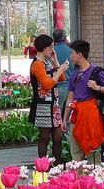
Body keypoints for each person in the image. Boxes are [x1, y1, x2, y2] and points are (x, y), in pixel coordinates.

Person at [63, 39, 104, 164]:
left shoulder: (96, 72)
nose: (71, 56)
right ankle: (79, 180)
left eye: (72, 53)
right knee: (76, 151)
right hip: (77, 115)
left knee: (93, 150)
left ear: (79, 55)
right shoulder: (74, 74)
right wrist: (65, 119)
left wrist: (98, 88)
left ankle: (94, 180)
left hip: (91, 116)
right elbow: (70, 97)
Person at [29, 34, 68, 162]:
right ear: (44, 48)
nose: (52, 49)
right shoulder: (37, 65)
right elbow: (47, 85)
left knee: (58, 136)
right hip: (42, 105)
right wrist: (60, 70)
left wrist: (56, 62)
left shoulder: (48, 61)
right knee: (44, 136)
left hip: (54, 104)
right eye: (50, 47)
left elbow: (62, 78)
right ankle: (43, 165)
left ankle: (57, 162)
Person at [53, 29, 72, 111]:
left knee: (57, 117)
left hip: (58, 87)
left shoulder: (52, 52)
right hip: (70, 88)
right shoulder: (71, 51)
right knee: (66, 119)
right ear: (64, 38)